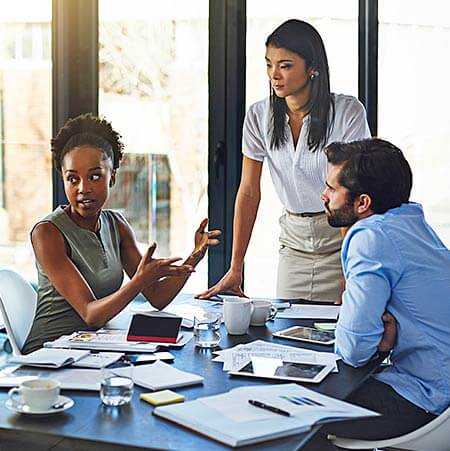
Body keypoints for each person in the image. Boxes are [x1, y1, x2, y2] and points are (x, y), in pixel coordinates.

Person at [198, 19, 370, 302]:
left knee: (340, 334)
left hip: (342, 241)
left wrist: (351, 270)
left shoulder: (347, 112)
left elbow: (350, 192)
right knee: (290, 335)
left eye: (285, 65)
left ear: (312, 67)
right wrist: (235, 267)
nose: (273, 75)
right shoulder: (258, 116)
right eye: (269, 64)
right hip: (294, 244)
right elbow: (249, 191)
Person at [22, 114, 220, 354]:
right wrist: (139, 280)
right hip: (50, 355)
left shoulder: (116, 224)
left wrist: (194, 256)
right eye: (72, 179)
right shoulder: (47, 233)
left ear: (112, 176)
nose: (83, 188)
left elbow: (157, 297)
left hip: (94, 350)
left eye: (95, 176)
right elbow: (90, 314)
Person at [304, 138, 450, 450]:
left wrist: (377, 344)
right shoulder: (411, 223)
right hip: (440, 392)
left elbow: (354, 349)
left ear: (363, 203)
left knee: (293, 415)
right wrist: (382, 342)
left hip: (424, 400)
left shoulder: (371, 237)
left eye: (332, 188)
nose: (324, 195)